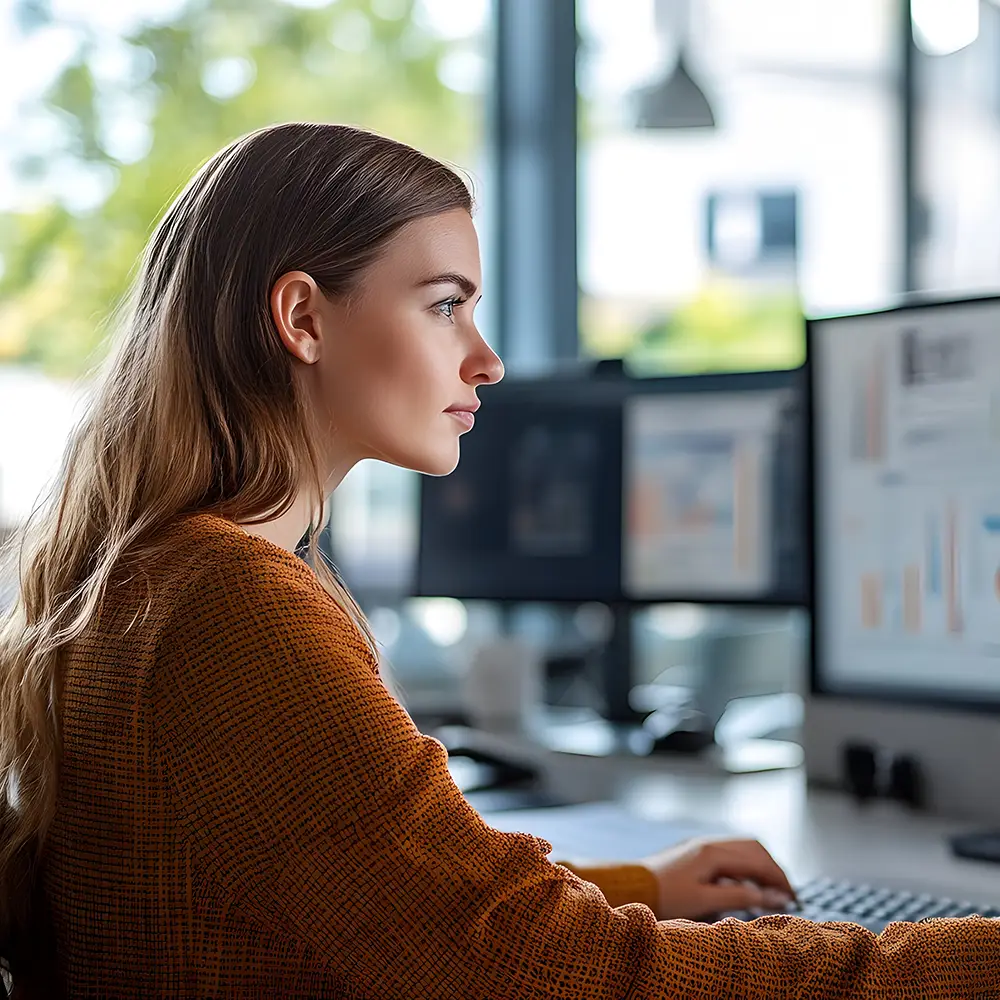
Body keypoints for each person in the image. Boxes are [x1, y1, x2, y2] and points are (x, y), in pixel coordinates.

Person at [0, 122, 996, 999]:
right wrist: (961, 964)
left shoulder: (147, 575)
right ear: (302, 319)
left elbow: (372, 900)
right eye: (443, 304)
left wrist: (642, 886)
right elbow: (541, 973)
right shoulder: (238, 605)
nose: (488, 358)